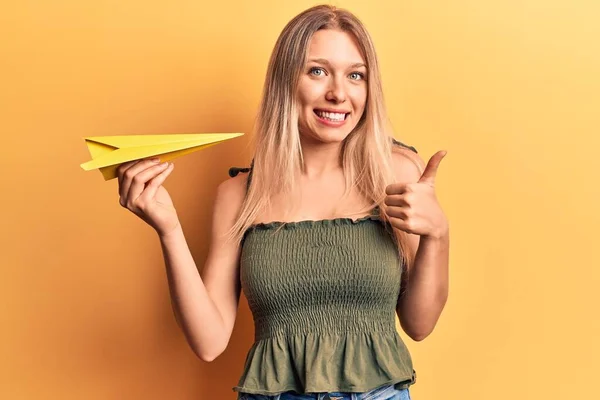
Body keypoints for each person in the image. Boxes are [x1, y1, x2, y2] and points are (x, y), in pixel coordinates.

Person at [115, 4, 449, 400]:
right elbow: (209, 342)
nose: (338, 93)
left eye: (355, 75)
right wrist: (168, 228)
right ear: (286, 81)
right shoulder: (239, 195)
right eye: (317, 71)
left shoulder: (394, 175)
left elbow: (419, 324)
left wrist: (437, 235)